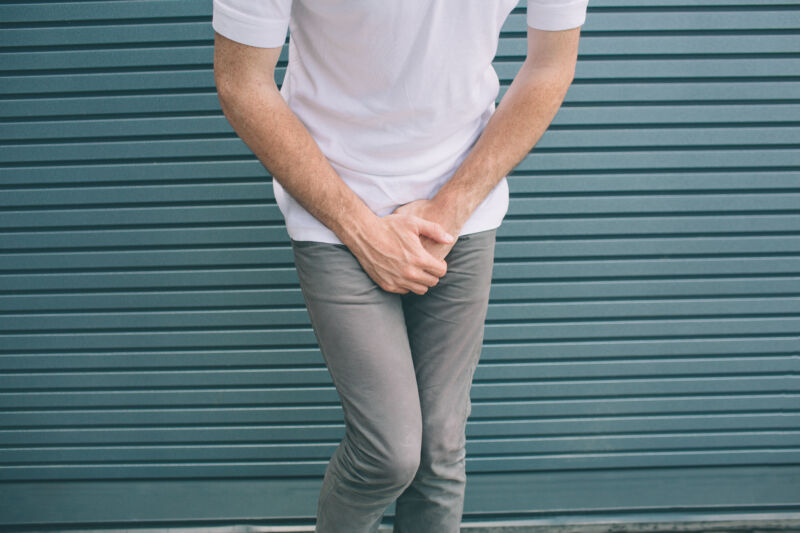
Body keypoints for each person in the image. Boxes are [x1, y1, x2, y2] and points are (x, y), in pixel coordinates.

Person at [211, 1, 586, 531]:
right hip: (335, 202)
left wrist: (451, 208)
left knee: (439, 450)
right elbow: (241, 82)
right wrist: (360, 228)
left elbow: (552, 63)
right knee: (387, 452)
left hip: (461, 203)